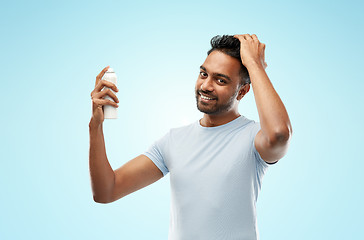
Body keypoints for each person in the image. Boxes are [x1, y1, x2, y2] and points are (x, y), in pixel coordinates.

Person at [89, 34, 292, 239]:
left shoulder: (253, 138)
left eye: (221, 80)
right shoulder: (173, 140)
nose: (206, 86)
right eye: (204, 74)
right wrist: (95, 127)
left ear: (242, 91)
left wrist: (255, 64)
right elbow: (107, 191)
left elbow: (279, 134)